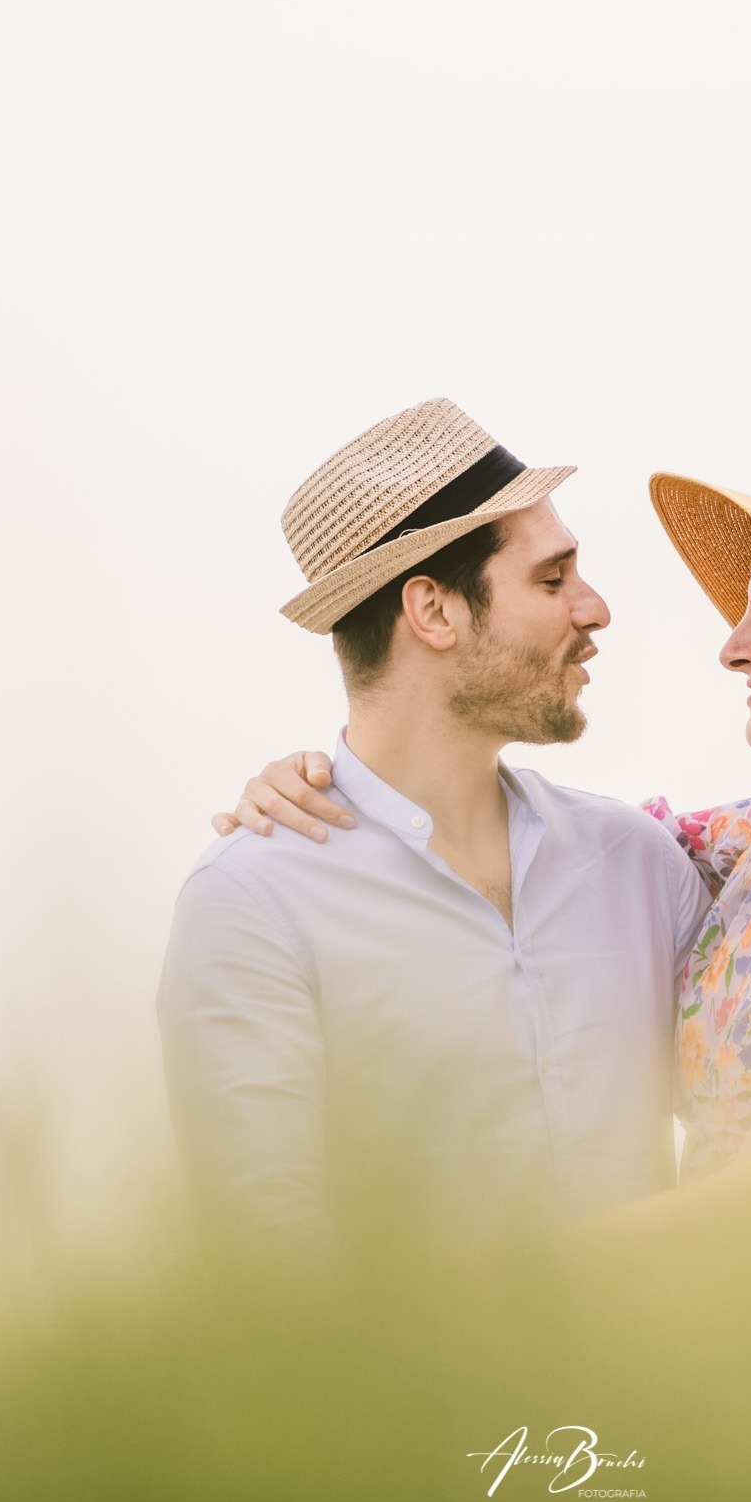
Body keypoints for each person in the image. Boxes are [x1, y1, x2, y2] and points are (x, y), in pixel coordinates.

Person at [221, 455, 751, 1241]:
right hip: (735, 1361)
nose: (733, 645)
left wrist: (472, 1306)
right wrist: (334, 787)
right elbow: (534, 854)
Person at [156, 399, 711, 1258]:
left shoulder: (640, 863)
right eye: (553, 580)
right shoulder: (251, 902)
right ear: (435, 612)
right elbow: (269, 1266)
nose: (595, 609)